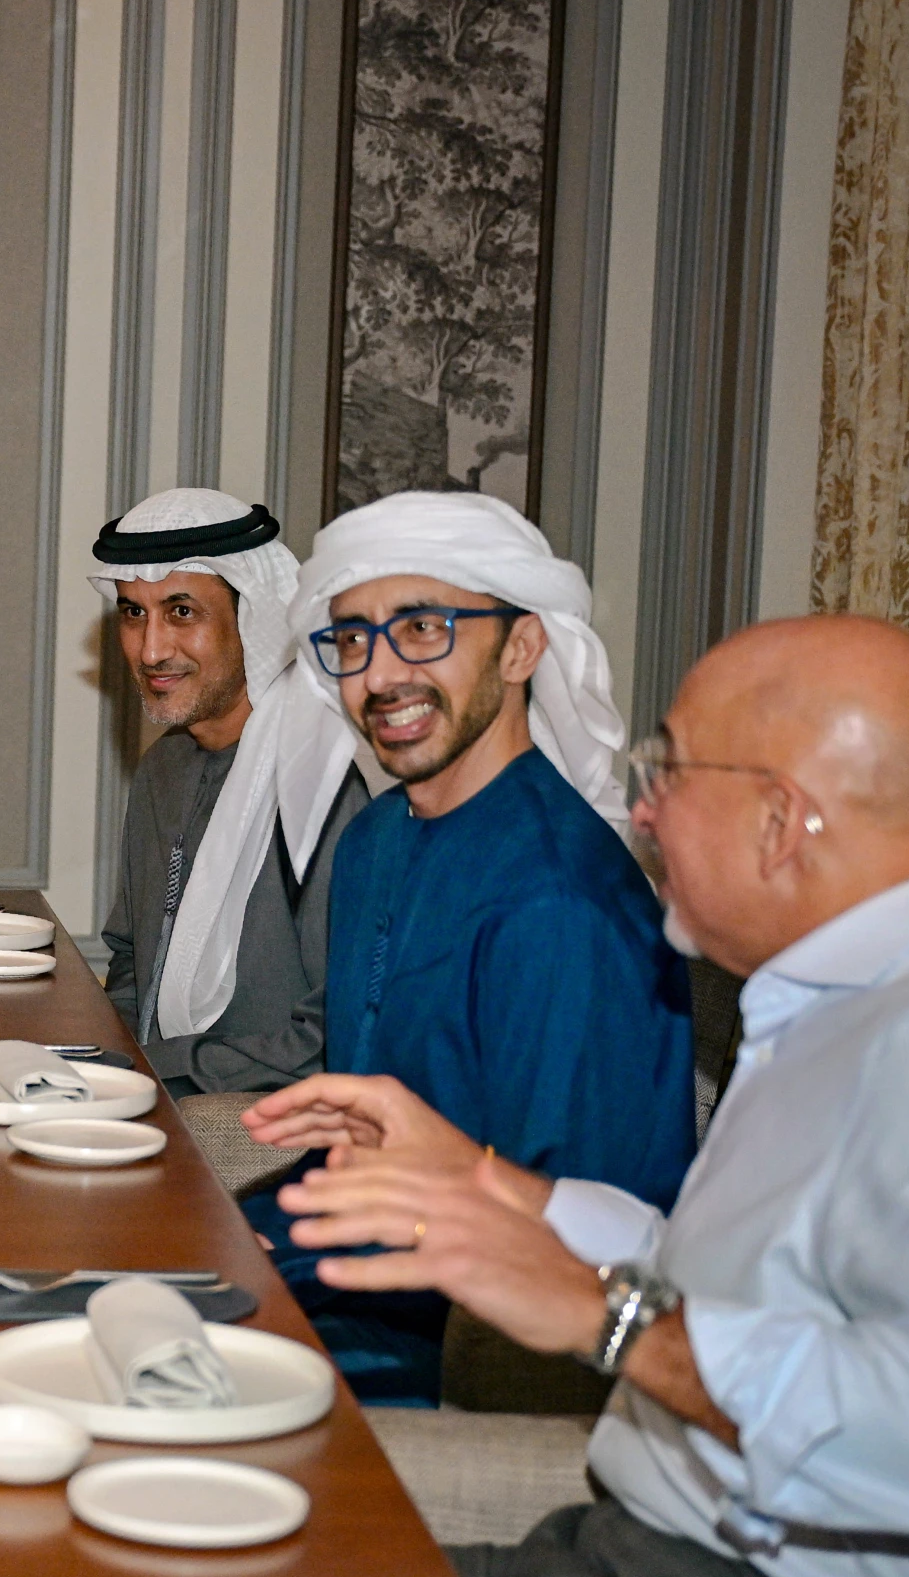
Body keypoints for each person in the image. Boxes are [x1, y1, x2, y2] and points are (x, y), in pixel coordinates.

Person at [0, 614, 909, 1577]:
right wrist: (485, 1181)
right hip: (641, 1566)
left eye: (668, 774)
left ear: (787, 819)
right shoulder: (851, 1003)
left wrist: (613, 1320)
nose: (643, 813)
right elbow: (753, 1288)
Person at [250, 491, 693, 1401]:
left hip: (445, 1351)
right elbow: (365, 1144)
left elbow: (567, 1232)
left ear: (523, 647)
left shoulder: (559, 900)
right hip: (333, 1275)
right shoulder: (377, 842)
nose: (378, 676)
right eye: (353, 639)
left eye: (423, 629)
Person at [91, 488, 368, 1096]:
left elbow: (339, 1036)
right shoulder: (163, 770)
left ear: (256, 621)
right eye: (133, 612)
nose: (152, 649)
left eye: (182, 612)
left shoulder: (323, 784)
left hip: (278, 1140)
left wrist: (153, 1074)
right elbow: (132, 960)